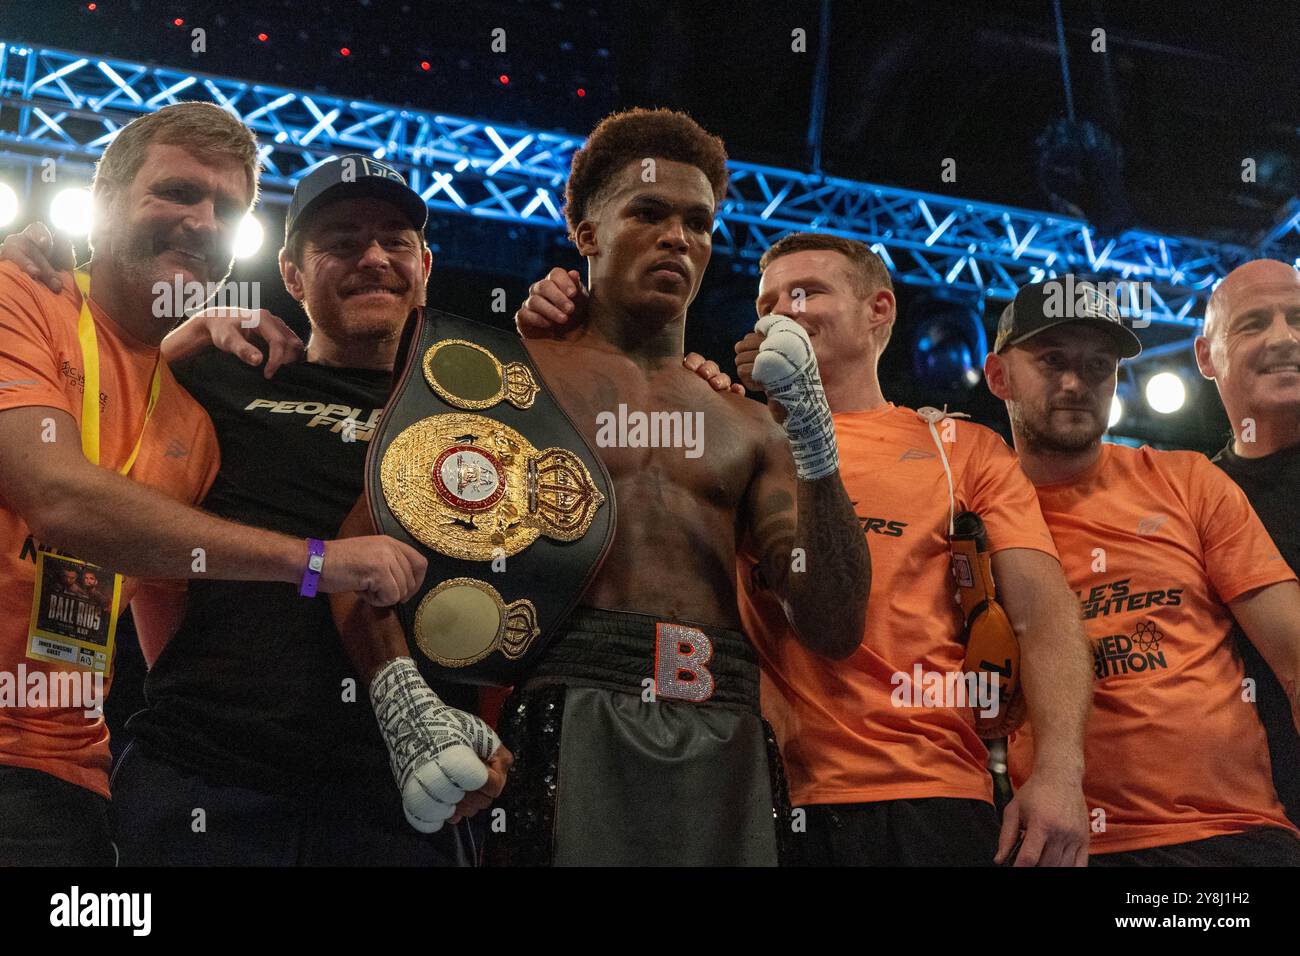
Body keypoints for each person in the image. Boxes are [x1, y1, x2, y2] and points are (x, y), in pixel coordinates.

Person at [337, 108, 872, 866]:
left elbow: (834, 621)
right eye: (648, 213)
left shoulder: (749, 422)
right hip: (567, 712)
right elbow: (362, 548)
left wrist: (816, 445)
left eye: (698, 223)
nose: (678, 238)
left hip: (727, 724)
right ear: (587, 233)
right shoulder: (512, 378)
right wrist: (402, 702)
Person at [517, 233, 1093, 866]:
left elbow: (1044, 613)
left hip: (928, 790)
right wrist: (570, 343)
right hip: (752, 783)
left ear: (879, 310)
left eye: (805, 293)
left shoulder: (958, 446)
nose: (781, 314)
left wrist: (1061, 775)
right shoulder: (724, 430)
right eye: (766, 303)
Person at [5, 153, 511, 865]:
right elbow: (112, 368)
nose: (372, 259)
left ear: (425, 264)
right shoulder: (222, 372)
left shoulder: (481, 419)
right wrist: (37, 262)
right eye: (341, 242)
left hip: (400, 795)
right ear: (293, 274)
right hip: (202, 772)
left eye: (395, 241)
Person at [987, 276, 1300, 865]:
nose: (1077, 383)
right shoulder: (973, 506)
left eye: (1099, 365)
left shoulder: (1186, 480)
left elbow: (1294, 653)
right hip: (1064, 840)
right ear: (999, 376)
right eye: (1053, 361)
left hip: (1233, 836)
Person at [1196, 258, 1300, 827]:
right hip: (1237, 827)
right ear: (1206, 355)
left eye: (1299, 319)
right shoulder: (1184, 501)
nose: (1284, 338)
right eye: (1254, 323)